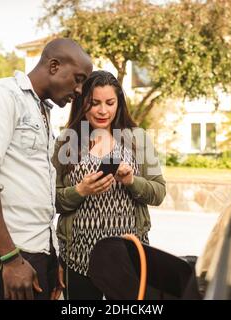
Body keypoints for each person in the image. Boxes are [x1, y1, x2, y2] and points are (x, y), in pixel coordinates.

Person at [0, 38, 93, 300]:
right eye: (77, 79)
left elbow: (34, 189)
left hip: (34, 249)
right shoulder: (1, 96)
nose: (79, 90)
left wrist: (53, 257)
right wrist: (10, 258)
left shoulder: (41, 109)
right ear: (54, 66)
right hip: (9, 251)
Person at [52, 70, 166, 299]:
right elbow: (51, 200)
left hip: (128, 257)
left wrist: (132, 181)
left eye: (110, 102)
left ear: (119, 103)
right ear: (82, 104)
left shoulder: (139, 139)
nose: (103, 110)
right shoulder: (66, 141)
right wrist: (80, 191)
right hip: (79, 258)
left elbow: (159, 193)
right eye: (94, 103)